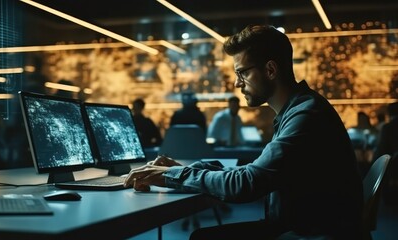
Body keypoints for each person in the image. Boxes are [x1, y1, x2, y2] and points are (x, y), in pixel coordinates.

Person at [124, 25, 363, 239]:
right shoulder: (301, 109)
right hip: (302, 226)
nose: (238, 84)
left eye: (243, 73)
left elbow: (247, 183)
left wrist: (172, 175)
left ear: (270, 70)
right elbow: (254, 174)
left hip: (309, 233)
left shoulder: (306, 116)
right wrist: (183, 170)